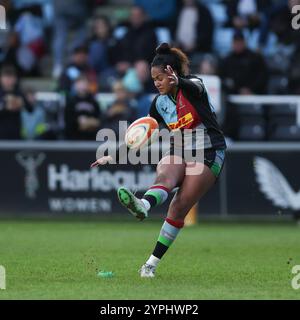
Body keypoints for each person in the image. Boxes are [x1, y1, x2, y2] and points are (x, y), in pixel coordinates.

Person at [91, 43, 226, 278]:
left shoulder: (195, 86)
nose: (156, 83)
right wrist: (113, 155)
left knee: (179, 206)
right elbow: (142, 135)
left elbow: (191, 85)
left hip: (209, 151)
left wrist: (179, 81)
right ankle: (143, 206)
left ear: (172, 72)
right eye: (154, 79)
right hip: (180, 148)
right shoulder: (159, 103)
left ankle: (150, 264)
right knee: (165, 175)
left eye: (160, 77)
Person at [0, 65, 33, 139]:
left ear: (15, 79)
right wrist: (6, 106)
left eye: (10, 77)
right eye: (6, 77)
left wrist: (25, 102)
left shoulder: (19, 93)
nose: (8, 80)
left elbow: (30, 109)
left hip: (15, 133)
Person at [64, 76, 102, 140]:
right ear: (76, 85)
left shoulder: (94, 101)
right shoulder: (70, 101)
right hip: (74, 137)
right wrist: (78, 121)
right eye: (80, 84)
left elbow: (99, 119)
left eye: (84, 84)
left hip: (91, 136)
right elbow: (68, 120)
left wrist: (90, 122)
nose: (82, 86)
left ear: (88, 85)